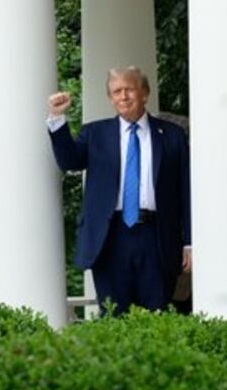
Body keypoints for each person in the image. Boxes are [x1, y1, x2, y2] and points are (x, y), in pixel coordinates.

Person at [47, 67, 191, 315]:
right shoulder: (95, 134)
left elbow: (185, 191)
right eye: (116, 92)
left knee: (157, 315)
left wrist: (189, 241)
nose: (123, 97)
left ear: (144, 93)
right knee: (114, 314)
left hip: (157, 236)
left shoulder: (172, 136)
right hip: (110, 237)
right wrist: (57, 119)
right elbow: (69, 161)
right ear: (111, 98)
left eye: (129, 90)